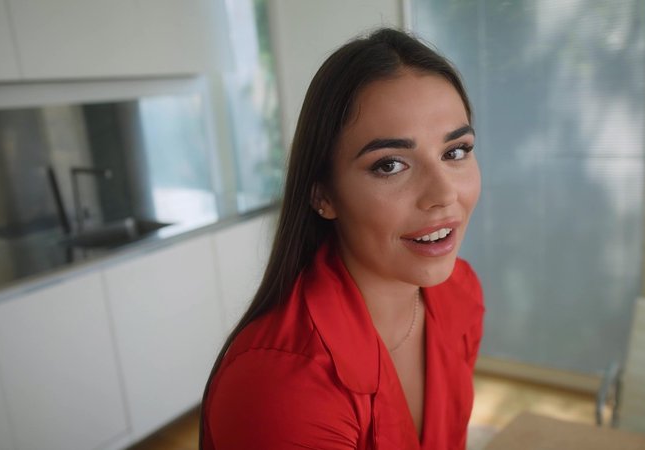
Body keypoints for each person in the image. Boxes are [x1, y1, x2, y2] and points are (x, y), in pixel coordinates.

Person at [200, 27, 483, 450]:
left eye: (455, 152)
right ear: (323, 195)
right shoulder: (283, 387)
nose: (443, 194)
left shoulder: (460, 292)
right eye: (390, 165)